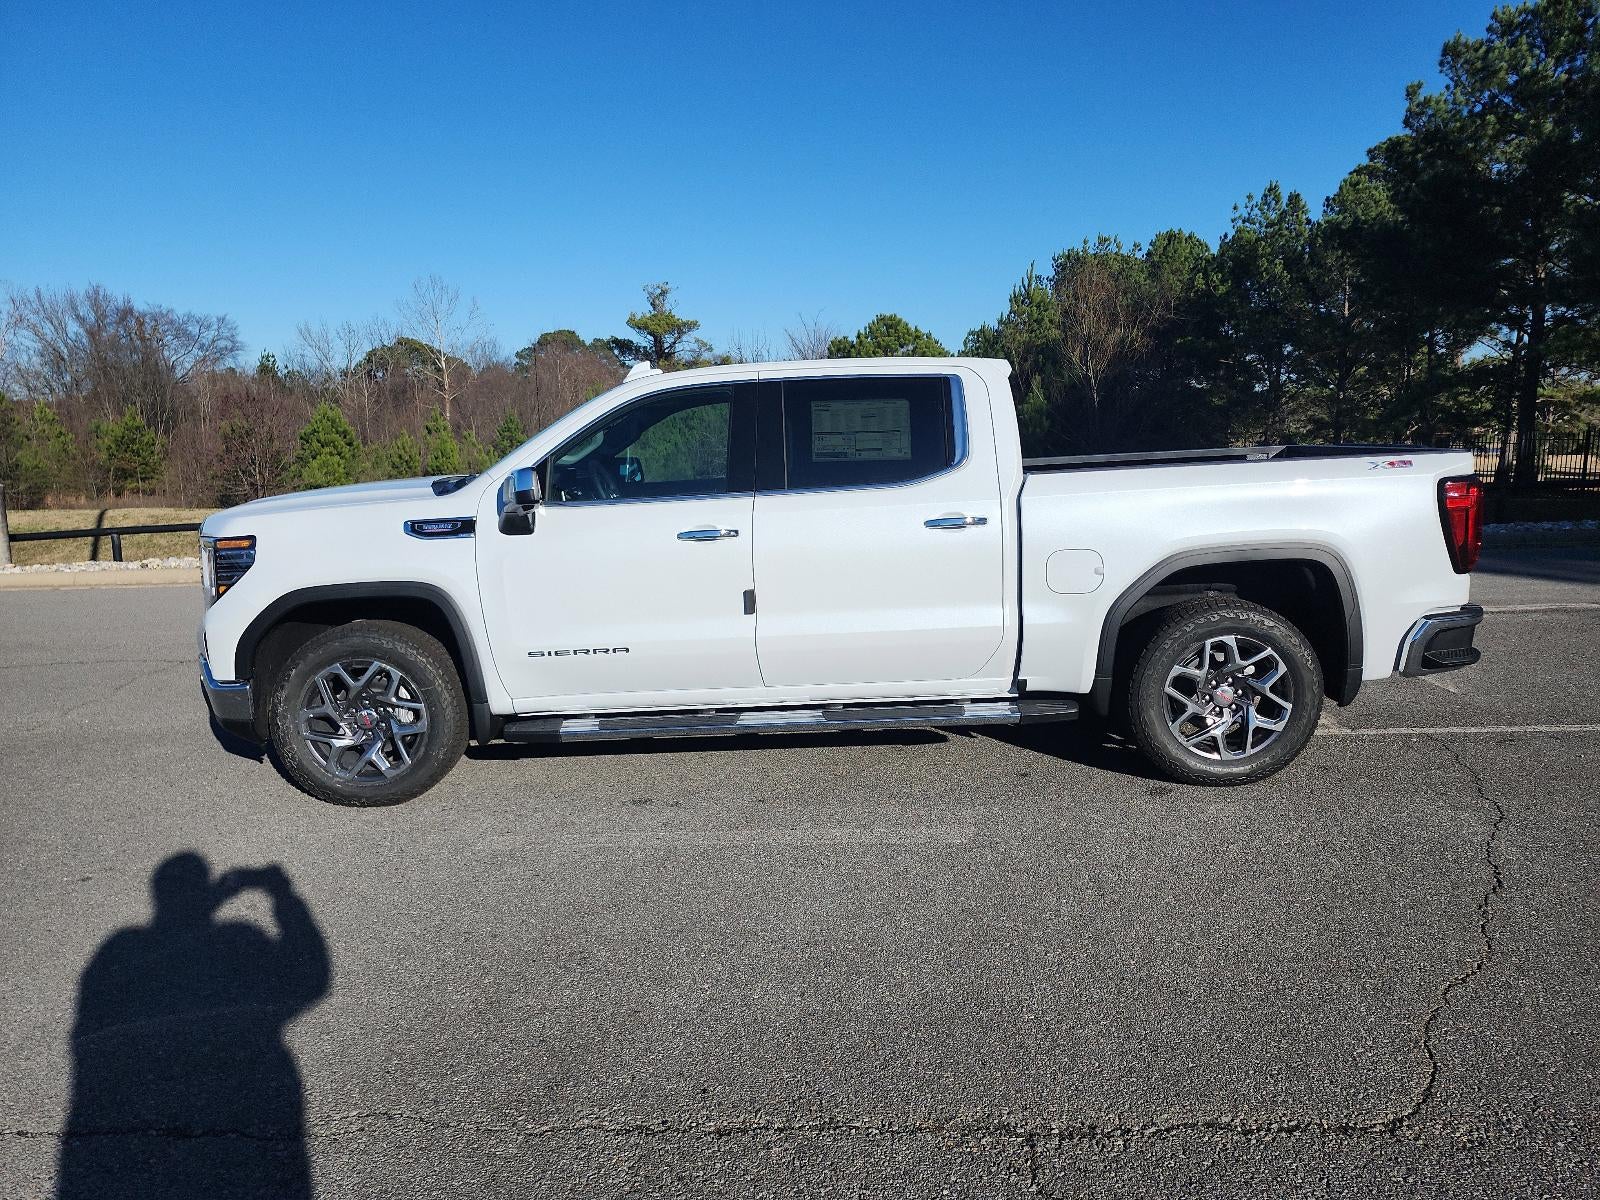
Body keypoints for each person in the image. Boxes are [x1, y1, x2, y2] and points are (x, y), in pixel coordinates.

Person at [57, 853, 330, 1200]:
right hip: (253, 1096)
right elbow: (312, 983)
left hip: (115, 1126)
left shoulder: (121, 948)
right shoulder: (239, 937)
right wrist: (281, 895)